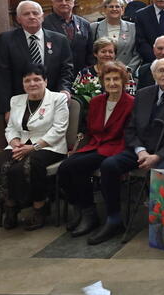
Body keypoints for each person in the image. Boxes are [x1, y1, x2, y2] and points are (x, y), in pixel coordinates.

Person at [89, 58, 164, 244]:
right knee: (109, 165)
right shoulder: (143, 94)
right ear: (154, 74)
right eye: (160, 70)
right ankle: (114, 219)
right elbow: (130, 129)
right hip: (142, 150)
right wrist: (141, 151)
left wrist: (158, 156)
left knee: (162, 172)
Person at [0, 65, 68, 230]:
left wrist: (33, 147)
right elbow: (11, 128)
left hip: (49, 146)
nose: (32, 83)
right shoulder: (16, 100)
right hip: (20, 144)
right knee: (0, 166)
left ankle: (39, 208)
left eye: (37, 79)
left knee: (26, 167)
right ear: (22, 83)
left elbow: (59, 130)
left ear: (45, 81)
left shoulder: (58, 99)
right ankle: (11, 206)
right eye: (27, 80)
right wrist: (14, 142)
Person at [59, 61, 133, 237]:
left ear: (123, 81)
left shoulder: (131, 103)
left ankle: (90, 214)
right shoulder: (96, 102)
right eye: (108, 79)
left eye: (116, 79)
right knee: (65, 167)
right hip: (96, 144)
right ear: (103, 82)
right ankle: (85, 209)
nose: (112, 83)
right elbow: (89, 129)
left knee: (77, 166)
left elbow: (128, 134)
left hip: (116, 147)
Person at [0, 0, 74, 117]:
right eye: (26, 14)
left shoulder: (60, 40)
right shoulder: (6, 40)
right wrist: (7, 109)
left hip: (53, 102)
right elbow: (2, 76)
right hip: (21, 105)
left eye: (35, 13)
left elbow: (67, 69)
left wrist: (64, 89)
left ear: (42, 17)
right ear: (18, 19)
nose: (31, 17)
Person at [43, 0, 92, 73]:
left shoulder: (84, 24)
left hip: (81, 75)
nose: (64, 3)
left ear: (73, 2)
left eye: (67, 0)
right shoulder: (44, 24)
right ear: (53, 3)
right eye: (59, 0)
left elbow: (90, 52)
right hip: (56, 75)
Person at [90, 0, 141, 71]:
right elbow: (91, 52)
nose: (114, 9)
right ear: (104, 9)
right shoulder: (94, 27)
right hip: (102, 72)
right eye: (111, 7)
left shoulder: (133, 28)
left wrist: (129, 70)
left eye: (117, 7)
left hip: (126, 72)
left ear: (122, 9)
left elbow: (137, 53)